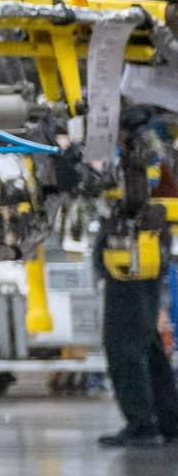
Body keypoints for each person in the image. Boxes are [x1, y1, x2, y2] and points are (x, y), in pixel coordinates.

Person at [102, 114, 175, 449]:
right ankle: (168, 419)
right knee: (145, 339)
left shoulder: (138, 149)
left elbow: (130, 196)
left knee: (124, 341)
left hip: (132, 248)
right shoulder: (155, 142)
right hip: (146, 244)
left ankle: (142, 423)